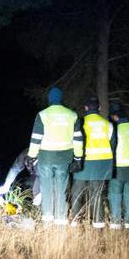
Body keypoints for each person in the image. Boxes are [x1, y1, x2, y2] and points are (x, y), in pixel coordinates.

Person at [26, 87, 83, 225]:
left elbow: (36, 138)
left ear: (50, 99)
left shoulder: (43, 114)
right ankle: (61, 220)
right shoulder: (72, 115)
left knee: (46, 188)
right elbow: (78, 139)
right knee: (61, 189)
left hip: (46, 157)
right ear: (61, 99)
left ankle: (47, 221)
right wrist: (78, 157)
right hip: (64, 158)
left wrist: (31, 156)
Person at [70, 96, 114, 228]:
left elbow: (75, 142)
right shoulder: (108, 124)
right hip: (102, 164)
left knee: (77, 193)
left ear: (86, 108)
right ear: (99, 108)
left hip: (84, 163)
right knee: (97, 195)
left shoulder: (80, 123)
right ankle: (98, 225)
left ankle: (75, 223)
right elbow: (113, 144)